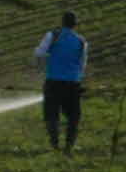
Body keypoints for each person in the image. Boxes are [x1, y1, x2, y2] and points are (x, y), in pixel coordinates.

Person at [32, 11, 88, 154]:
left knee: (51, 114)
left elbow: (39, 53)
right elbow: (82, 64)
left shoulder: (53, 35)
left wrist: (44, 65)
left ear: (62, 22)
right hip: (73, 84)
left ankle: (54, 144)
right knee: (74, 117)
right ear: (75, 25)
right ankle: (69, 146)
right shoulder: (82, 41)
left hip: (53, 82)